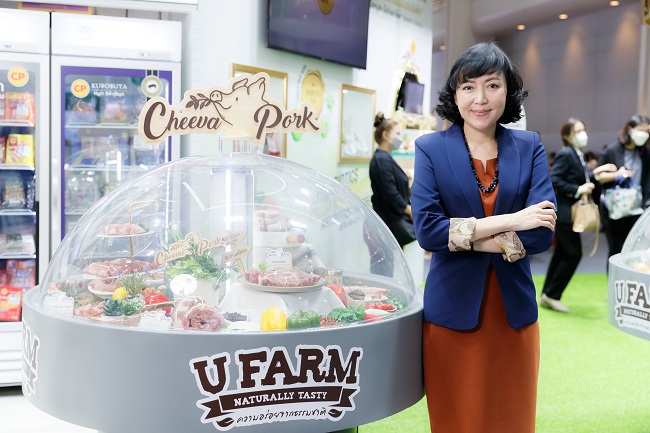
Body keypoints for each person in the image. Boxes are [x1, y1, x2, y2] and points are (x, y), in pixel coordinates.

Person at [411, 42, 557, 433]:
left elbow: (541, 234)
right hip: (451, 314)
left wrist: (466, 237)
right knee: (457, 420)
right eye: (468, 86)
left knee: (512, 419)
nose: (480, 98)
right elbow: (429, 231)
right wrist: (512, 220)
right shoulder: (430, 149)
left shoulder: (529, 146)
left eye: (492, 85)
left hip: (513, 315)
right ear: (455, 94)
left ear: (508, 92)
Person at [541, 117, 601, 313]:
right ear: (567, 136)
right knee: (573, 254)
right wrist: (577, 189)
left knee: (561, 253)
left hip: (570, 212)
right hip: (566, 212)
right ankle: (552, 295)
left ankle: (547, 293)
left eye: (583, 130)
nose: (583, 134)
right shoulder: (567, 153)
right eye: (578, 131)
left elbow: (576, 178)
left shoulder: (577, 153)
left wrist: (595, 176)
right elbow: (554, 178)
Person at [596, 114, 650, 260]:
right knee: (615, 251)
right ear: (630, 129)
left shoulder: (645, 153)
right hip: (614, 209)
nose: (644, 134)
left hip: (637, 210)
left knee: (632, 252)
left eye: (647, 131)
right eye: (641, 130)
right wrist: (617, 174)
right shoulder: (612, 150)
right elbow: (597, 176)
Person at [369, 113, 415, 249]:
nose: (400, 138)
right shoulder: (381, 160)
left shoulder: (385, 158)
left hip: (390, 222)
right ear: (385, 135)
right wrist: (409, 210)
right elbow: (390, 193)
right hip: (386, 224)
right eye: (397, 134)